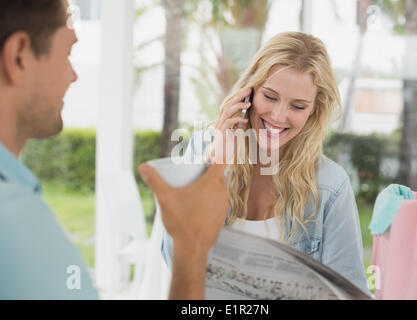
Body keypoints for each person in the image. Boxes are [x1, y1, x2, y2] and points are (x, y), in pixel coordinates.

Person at [0, 0, 229, 300]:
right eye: (68, 52)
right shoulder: (15, 223)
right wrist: (190, 245)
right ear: (19, 56)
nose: (73, 75)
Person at [160, 32, 371, 296]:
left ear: (313, 111)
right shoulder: (204, 150)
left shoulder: (330, 185)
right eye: (270, 97)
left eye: (298, 106)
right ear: (248, 92)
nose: (279, 115)